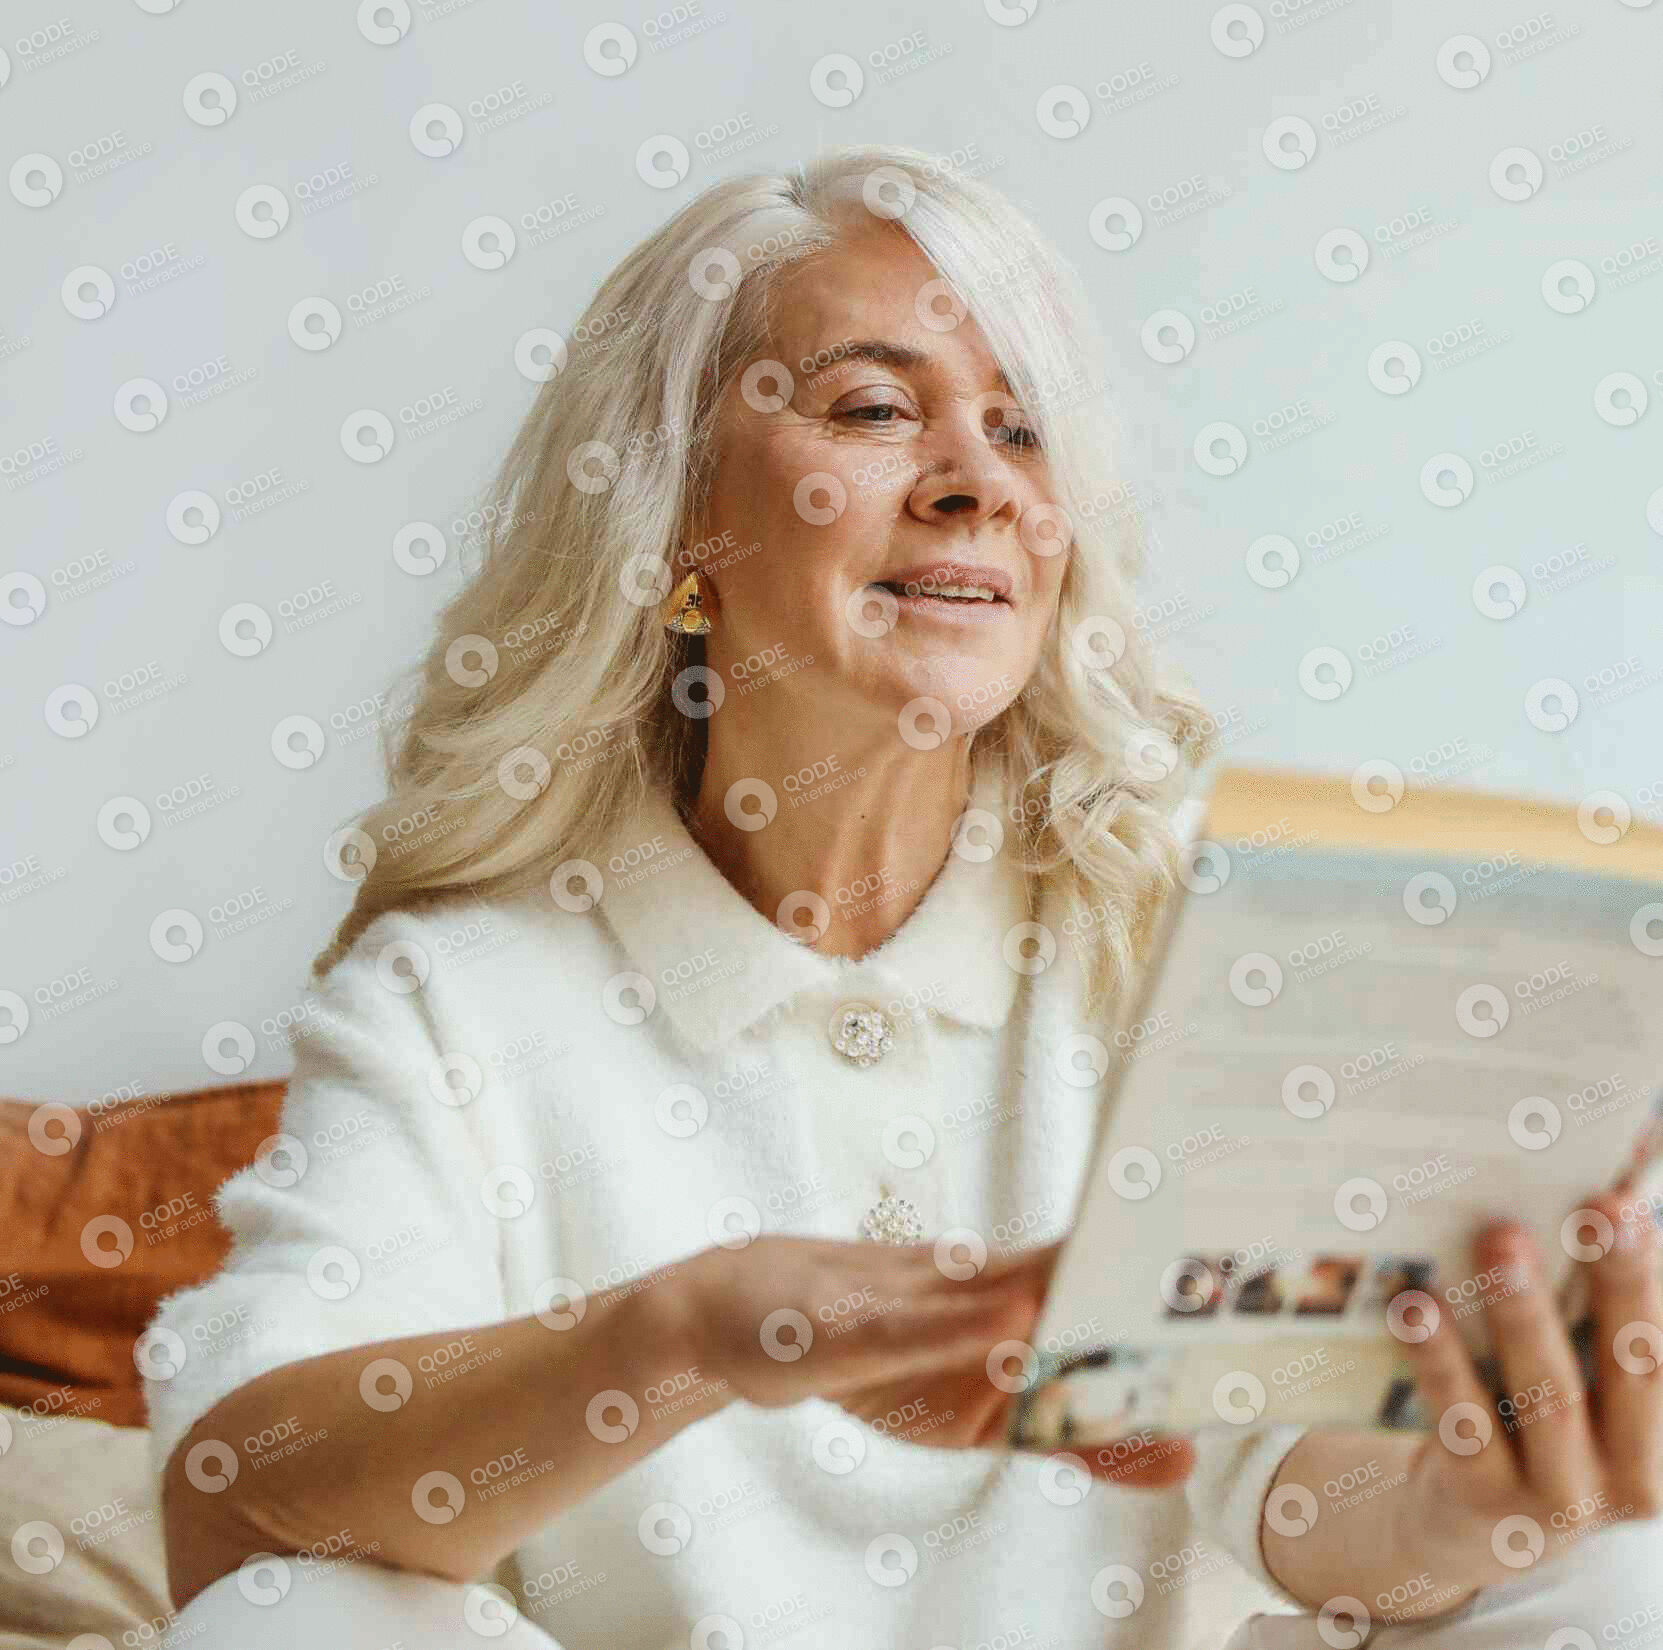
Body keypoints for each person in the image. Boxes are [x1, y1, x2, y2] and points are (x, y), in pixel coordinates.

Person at [143, 145, 1663, 1649]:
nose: (977, 484)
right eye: (875, 410)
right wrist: (687, 1334)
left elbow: (1293, 1489)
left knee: (1612, 1573)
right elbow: (237, 1497)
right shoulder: (457, 1000)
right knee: (289, 1614)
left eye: (1022, 430)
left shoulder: (1171, 938)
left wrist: (1465, 1505)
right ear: (672, 529)